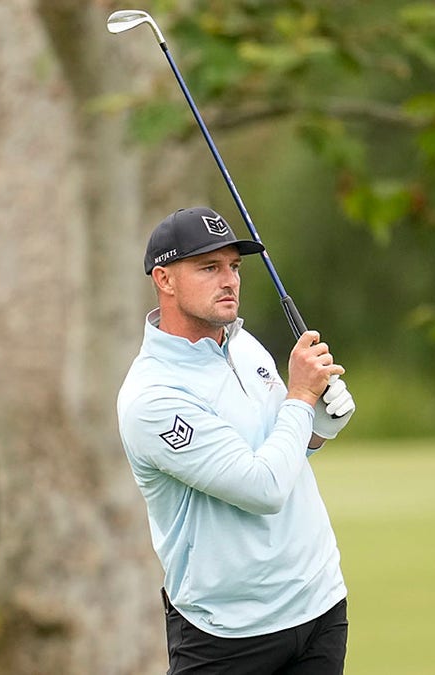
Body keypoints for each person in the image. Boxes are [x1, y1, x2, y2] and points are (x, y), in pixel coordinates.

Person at [117, 206, 357, 674]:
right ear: (164, 279)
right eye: (209, 268)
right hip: (227, 632)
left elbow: (285, 452)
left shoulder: (243, 345)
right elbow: (261, 488)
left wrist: (318, 423)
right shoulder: (152, 397)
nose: (229, 280)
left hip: (318, 604)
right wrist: (301, 396)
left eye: (234, 267)